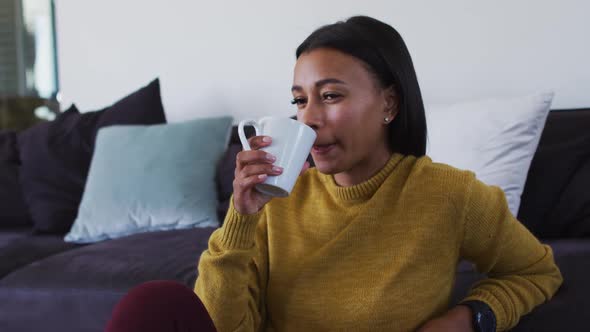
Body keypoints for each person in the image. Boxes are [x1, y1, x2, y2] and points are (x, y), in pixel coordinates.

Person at [106, 16, 562, 332]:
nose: (309, 119)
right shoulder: (280, 199)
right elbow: (225, 326)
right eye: (300, 100)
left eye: (330, 96)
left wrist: (469, 318)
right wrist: (240, 218)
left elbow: (535, 272)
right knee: (153, 302)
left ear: (389, 103)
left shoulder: (448, 194)